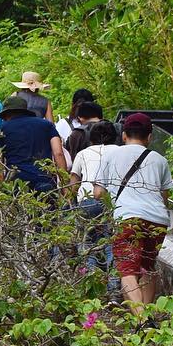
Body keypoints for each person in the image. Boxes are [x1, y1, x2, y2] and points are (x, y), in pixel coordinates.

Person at [93, 113, 173, 312]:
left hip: (127, 218)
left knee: (127, 270)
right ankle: (148, 316)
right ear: (149, 137)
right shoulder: (159, 160)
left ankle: (143, 320)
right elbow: (164, 197)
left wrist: (113, 204)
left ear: (124, 135)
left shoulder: (111, 156)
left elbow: (98, 192)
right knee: (148, 267)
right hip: (158, 220)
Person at [69, 119, 119, 278]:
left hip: (87, 200)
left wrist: (71, 203)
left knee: (87, 243)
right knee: (111, 244)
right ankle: (113, 290)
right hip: (111, 202)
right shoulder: (119, 151)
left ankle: (90, 282)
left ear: (90, 138)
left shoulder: (83, 154)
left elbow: (73, 183)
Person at [0, 93, 68, 193]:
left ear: (6, 114)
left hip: (18, 184)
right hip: (45, 181)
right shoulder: (47, 125)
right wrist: (65, 186)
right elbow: (58, 153)